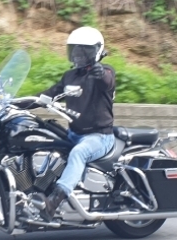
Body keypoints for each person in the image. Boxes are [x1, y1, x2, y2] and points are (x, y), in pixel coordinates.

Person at [27, 26, 116, 219]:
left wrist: (100, 72)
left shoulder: (105, 71)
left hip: (100, 136)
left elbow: (107, 82)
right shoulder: (70, 77)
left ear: (96, 50)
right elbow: (48, 95)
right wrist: (18, 103)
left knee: (78, 153)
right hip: (74, 134)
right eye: (75, 49)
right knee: (45, 143)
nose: (77, 53)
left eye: (83, 49)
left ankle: (54, 202)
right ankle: (36, 191)